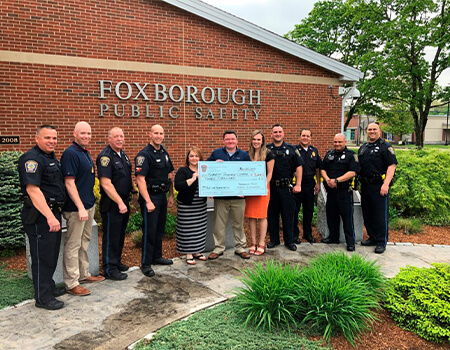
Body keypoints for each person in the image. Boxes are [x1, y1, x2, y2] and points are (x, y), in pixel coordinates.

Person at [18, 125, 66, 310]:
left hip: (53, 213)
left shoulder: (49, 157)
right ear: (36, 138)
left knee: (51, 255)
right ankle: (43, 298)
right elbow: (33, 190)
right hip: (41, 217)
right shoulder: (32, 159)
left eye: (54, 138)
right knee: (42, 257)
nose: (52, 141)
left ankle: (49, 287)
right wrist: (49, 217)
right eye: (47, 138)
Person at [61, 121, 104, 297]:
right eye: (82, 133)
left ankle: (84, 274)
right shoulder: (70, 153)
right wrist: (80, 207)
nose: (86, 136)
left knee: (84, 243)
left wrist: (88, 205)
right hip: (76, 209)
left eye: (88, 133)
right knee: (73, 244)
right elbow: (69, 183)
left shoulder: (84, 153)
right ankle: (71, 283)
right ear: (74, 134)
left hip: (88, 206)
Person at [135, 124, 175, 277]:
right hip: (150, 197)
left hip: (162, 196)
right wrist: (147, 201)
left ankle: (157, 256)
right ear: (149, 134)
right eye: (156, 133)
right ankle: (145, 263)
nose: (159, 136)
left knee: (159, 229)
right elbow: (140, 179)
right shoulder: (144, 155)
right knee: (149, 231)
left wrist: (170, 195)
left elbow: (169, 176)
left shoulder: (164, 153)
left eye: (161, 133)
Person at [207, 130, 251, 260]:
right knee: (219, 224)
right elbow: (206, 169)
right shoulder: (216, 153)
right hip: (221, 197)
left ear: (237, 141)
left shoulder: (244, 155)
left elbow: (249, 174)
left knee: (239, 223)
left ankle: (240, 248)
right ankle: (218, 248)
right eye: (227, 139)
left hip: (239, 197)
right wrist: (214, 165)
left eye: (232, 139)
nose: (230, 141)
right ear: (223, 141)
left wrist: (246, 190)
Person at [96, 127, 133, 280]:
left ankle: (116, 262)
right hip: (112, 204)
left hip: (124, 201)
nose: (119, 139)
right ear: (109, 139)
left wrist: (134, 193)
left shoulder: (122, 155)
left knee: (119, 234)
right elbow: (105, 183)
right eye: (116, 136)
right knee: (111, 236)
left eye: (121, 136)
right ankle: (110, 268)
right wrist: (119, 202)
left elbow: (127, 178)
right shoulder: (105, 157)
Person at [358, 123, 397, 254]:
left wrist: (386, 184)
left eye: (374, 129)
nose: (372, 131)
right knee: (368, 213)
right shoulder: (363, 148)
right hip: (365, 185)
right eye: (369, 129)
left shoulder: (385, 146)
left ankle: (381, 241)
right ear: (367, 131)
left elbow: (391, 166)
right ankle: (372, 237)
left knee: (380, 215)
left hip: (379, 186)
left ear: (379, 131)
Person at [267, 124, 304, 251]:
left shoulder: (292, 149)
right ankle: (274, 240)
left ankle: (289, 241)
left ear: (283, 134)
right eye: (275, 132)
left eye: (279, 132)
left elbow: (299, 167)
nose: (277, 134)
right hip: (271, 187)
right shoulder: (266, 149)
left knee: (288, 216)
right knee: (272, 215)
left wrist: (298, 184)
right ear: (271, 134)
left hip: (286, 187)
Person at [320, 133, 360, 251]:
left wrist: (337, 180)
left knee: (347, 217)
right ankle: (333, 237)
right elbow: (322, 168)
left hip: (344, 192)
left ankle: (350, 242)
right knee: (331, 215)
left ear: (345, 142)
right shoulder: (329, 154)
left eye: (340, 142)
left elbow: (353, 172)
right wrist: (327, 179)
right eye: (335, 142)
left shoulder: (351, 155)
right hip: (331, 191)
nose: (337, 144)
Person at [174, 147, 208, 265]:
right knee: (187, 229)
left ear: (200, 158)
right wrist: (193, 178)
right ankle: (188, 253)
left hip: (200, 205)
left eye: (196, 156)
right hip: (186, 205)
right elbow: (178, 186)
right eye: (192, 156)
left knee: (199, 228)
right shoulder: (183, 171)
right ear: (188, 158)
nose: (194, 158)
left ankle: (198, 251)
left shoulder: (204, 169)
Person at [244, 130, 274, 256]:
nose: (256, 142)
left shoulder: (268, 153)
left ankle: (262, 243)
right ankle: (253, 243)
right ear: (251, 140)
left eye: (258, 139)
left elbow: (270, 173)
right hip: (250, 189)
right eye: (254, 139)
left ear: (262, 141)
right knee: (251, 216)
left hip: (262, 188)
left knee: (262, 216)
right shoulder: (247, 155)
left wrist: (263, 185)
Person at [293, 129, 321, 244]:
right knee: (295, 211)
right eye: (303, 135)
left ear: (310, 138)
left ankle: (307, 234)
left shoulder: (314, 151)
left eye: (307, 136)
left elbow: (318, 168)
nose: (305, 138)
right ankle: (295, 235)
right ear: (299, 137)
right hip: (297, 185)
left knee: (308, 211)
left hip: (310, 185)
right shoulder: (294, 150)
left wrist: (318, 183)